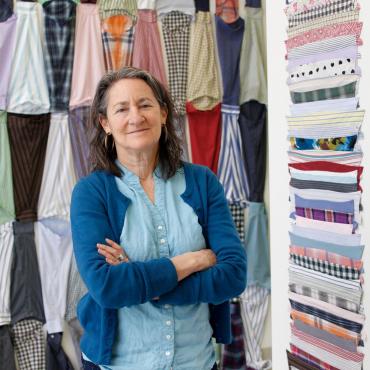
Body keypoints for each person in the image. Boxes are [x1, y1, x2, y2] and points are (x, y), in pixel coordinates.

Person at [70, 67, 247, 370]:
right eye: (121, 109)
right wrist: (192, 262)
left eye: (145, 105)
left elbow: (233, 275)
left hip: (197, 362)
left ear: (163, 114)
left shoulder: (202, 182)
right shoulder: (91, 193)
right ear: (106, 123)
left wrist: (140, 282)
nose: (135, 117)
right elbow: (107, 288)